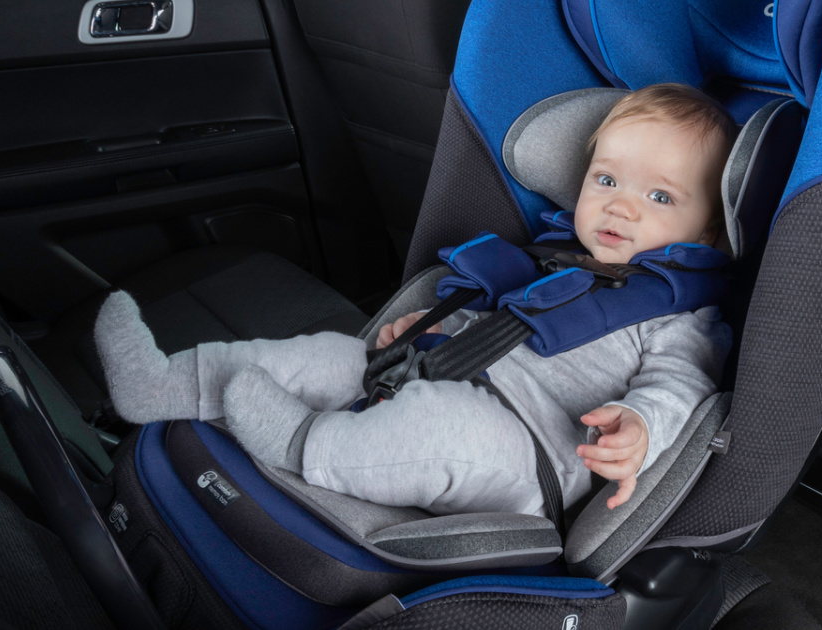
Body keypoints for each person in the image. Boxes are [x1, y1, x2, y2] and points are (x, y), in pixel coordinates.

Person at [95, 83, 735, 517]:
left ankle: (299, 445)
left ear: (706, 230)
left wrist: (642, 427)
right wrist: (428, 330)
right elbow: (498, 321)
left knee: (440, 428)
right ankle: (164, 385)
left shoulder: (676, 315)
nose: (620, 203)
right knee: (326, 356)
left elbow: (682, 387)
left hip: (529, 452)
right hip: (435, 372)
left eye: (660, 197)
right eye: (606, 179)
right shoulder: (555, 260)